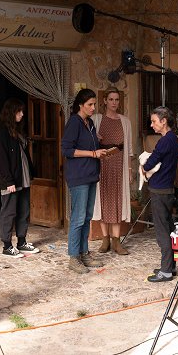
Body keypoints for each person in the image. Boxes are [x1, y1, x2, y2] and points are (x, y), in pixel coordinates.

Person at [62, 88, 107, 274]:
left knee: (87, 217)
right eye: (90, 104)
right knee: (78, 218)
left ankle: (84, 252)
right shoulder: (74, 122)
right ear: (80, 105)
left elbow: (91, 146)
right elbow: (67, 150)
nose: (93, 107)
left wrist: (101, 147)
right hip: (78, 176)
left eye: (94, 104)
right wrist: (93, 153)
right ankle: (74, 257)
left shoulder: (90, 124)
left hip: (90, 175)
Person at [0, 98, 39, 258]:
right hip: (11, 181)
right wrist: (8, 181)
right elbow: (1, 158)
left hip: (23, 178)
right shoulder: (1, 131)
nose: (22, 114)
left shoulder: (16, 130)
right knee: (9, 212)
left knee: (23, 210)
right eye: (19, 111)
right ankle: (7, 246)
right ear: (11, 112)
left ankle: (21, 242)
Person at [92, 87, 133, 255]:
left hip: (119, 164)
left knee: (117, 201)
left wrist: (130, 169)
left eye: (117, 100)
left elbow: (129, 149)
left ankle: (117, 241)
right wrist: (94, 137)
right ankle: (105, 240)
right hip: (102, 164)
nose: (114, 103)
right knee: (103, 200)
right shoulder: (96, 119)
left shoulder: (125, 121)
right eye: (111, 99)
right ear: (105, 101)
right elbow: (85, 137)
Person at [141, 106, 178, 282]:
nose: (152, 125)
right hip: (167, 188)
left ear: (164, 121)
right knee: (168, 227)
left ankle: (165, 270)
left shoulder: (165, 141)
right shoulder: (173, 139)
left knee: (162, 230)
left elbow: (150, 163)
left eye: (154, 121)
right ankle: (169, 265)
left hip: (160, 189)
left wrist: (144, 166)